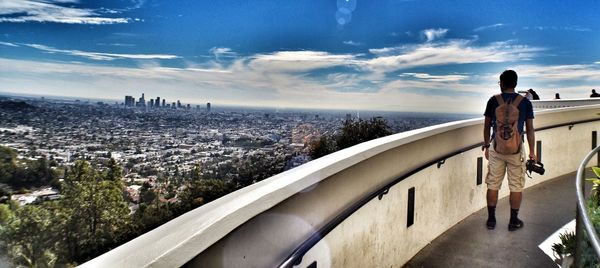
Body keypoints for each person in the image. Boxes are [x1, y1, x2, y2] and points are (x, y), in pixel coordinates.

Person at [483, 70, 536, 231]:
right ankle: (513, 221)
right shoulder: (525, 103)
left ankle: (491, 220)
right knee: (516, 186)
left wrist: (487, 145)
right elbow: (530, 129)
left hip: (496, 148)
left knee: (493, 184)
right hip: (516, 150)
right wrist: (532, 152)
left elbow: (486, 127)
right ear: (516, 84)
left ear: (502, 83)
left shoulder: (493, 100)